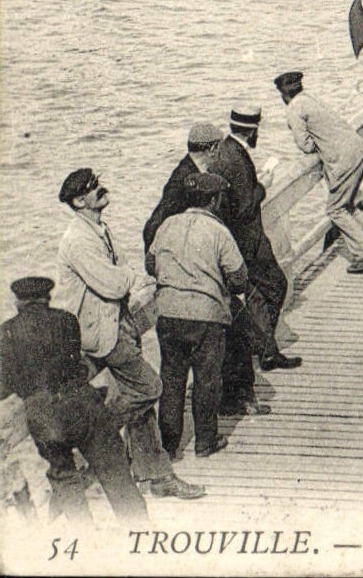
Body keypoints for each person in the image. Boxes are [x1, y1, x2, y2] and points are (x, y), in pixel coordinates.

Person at [54, 167, 203, 499]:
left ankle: (158, 475)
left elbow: (119, 273)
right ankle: (96, 433)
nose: (101, 189)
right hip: (100, 333)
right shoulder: (77, 240)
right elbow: (112, 282)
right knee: (150, 387)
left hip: (117, 323)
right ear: (79, 201)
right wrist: (129, 277)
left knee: (141, 404)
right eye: (94, 188)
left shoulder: (98, 228)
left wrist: (126, 276)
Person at [0, 276, 147, 522]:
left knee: (63, 475)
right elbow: (76, 365)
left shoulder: (6, 332)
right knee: (114, 468)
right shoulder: (67, 321)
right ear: (47, 298)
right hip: (81, 403)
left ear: (18, 302)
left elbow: (3, 387)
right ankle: (140, 530)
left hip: (44, 414)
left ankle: (84, 540)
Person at [146, 171, 249, 459]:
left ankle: (169, 445)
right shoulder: (218, 232)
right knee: (207, 379)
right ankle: (205, 441)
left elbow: (150, 263)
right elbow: (239, 278)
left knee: (172, 379)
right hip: (207, 316)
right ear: (214, 201)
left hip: (168, 313)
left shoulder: (166, 225)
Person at [214, 104, 300, 416]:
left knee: (258, 294)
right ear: (252, 129)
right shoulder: (236, 158)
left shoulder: (224, 151)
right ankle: (263, 346)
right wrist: (261, 186)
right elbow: (246, 205)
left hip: (239, 241)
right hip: (248, 242)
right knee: (275, 285)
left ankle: (266, 348)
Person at [273, 72, 363, 270]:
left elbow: (305, 145)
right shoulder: (310, 99)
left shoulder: (294, 107)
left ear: (283, 95)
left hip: (344, 161)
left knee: (335, 209)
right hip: (360, 151)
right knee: (347, 204)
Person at [142, 121, 228, 253]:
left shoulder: (195, 169)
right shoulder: (183, 180)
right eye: (220, 148)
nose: (222, 153)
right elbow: (154, 226)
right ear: (212, 149)